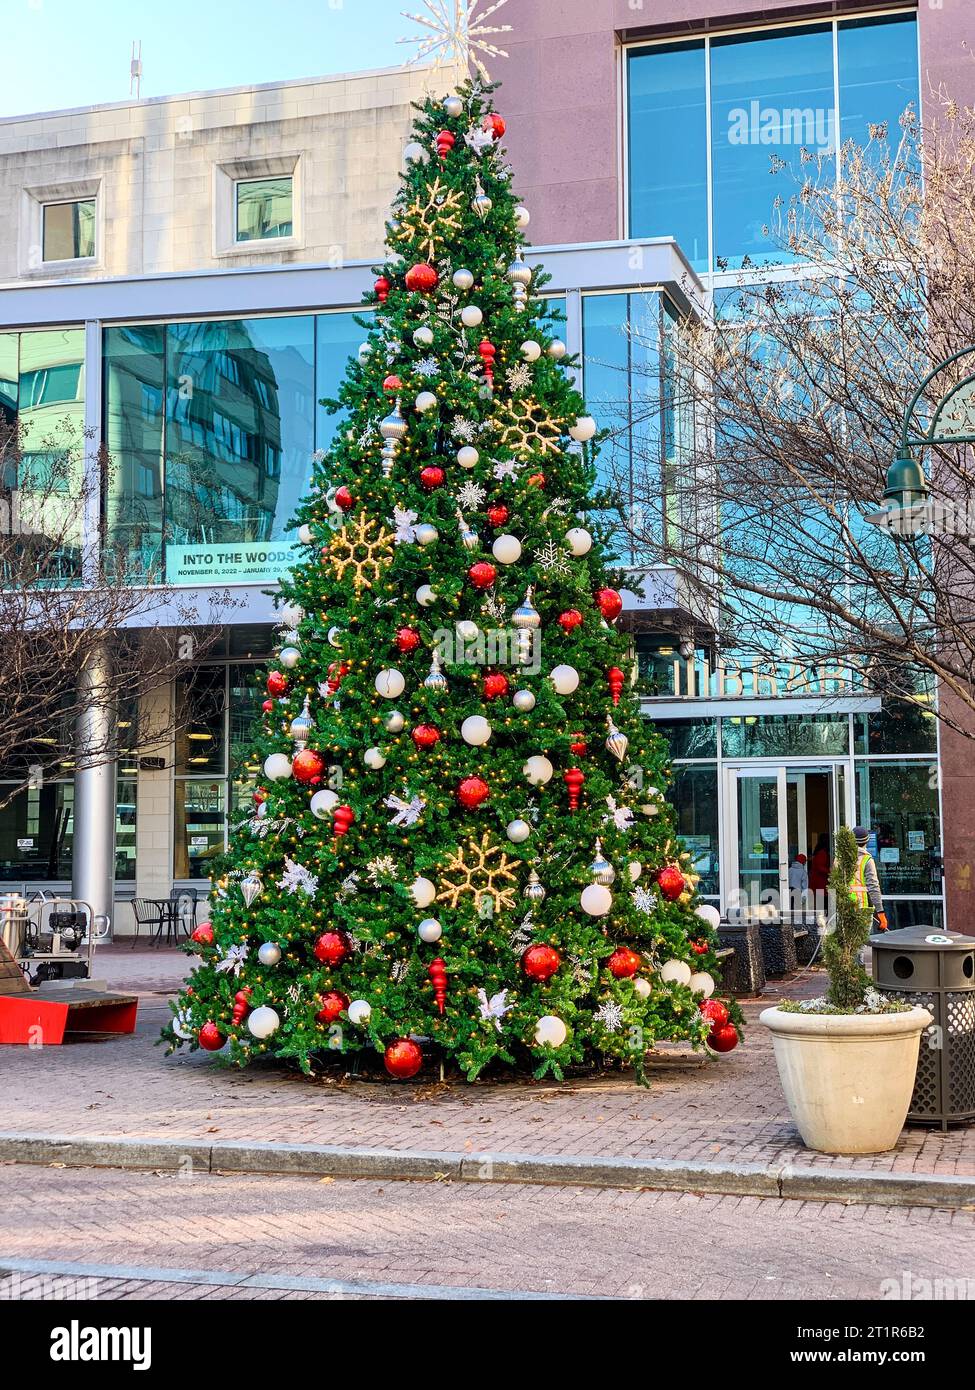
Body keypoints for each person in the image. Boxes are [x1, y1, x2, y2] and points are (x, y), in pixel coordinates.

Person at [851, 826, 888, 931]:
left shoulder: (839, 859)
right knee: (861, 943)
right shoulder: (867, 859)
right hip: (862, 907)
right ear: (866, 841)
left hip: (843, 908)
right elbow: (873, 886)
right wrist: (881, 913)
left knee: (846, 944)